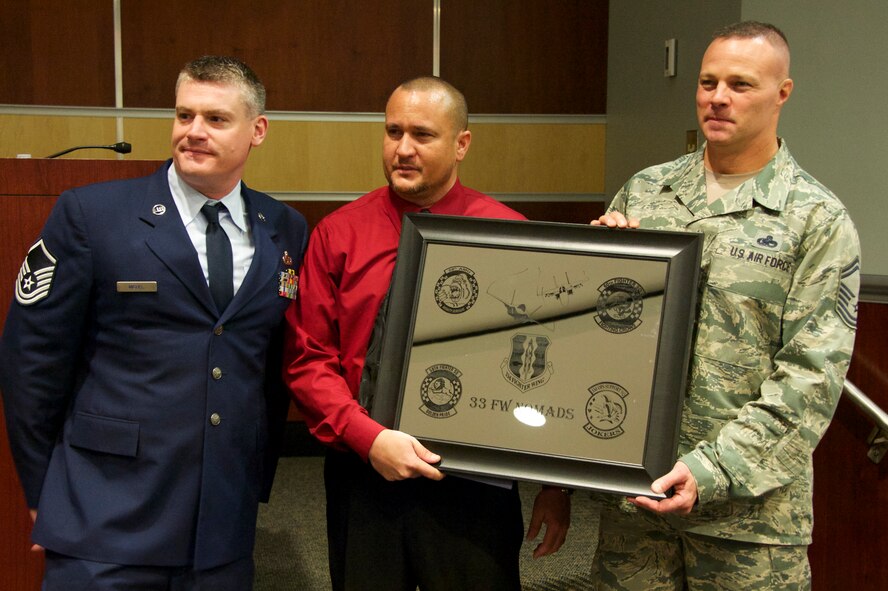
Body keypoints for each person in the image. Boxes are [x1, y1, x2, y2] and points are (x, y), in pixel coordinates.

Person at [0, 56, 308, 590]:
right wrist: (41, 491)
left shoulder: (283, 227)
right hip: (104, 516)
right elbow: (31, 362)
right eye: (183, 115)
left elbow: (269, 359)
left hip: (221, 523)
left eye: (215, 119)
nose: (193, 132)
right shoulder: (93, 215)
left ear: (257, 130)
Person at [591, 21, 861, 590]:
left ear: (782, 93)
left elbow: (812, 376)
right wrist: (597, 270)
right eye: (707, 82)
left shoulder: (816, 219)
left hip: (750, 520)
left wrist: (711, 469)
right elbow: (602, 341)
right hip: (636, 506)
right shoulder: (646, 193)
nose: (717, 98)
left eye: (740, 84)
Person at [283, 76, 571, 591]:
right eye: (393, 132)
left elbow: (544, 368)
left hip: (473, 479)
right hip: (365, 468)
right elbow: (309, 359)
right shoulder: (339, 234)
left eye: (423, 134)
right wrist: (369, 439)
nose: (403, 149)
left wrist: (556, 485)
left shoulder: (509, 234)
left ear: (461, 143)